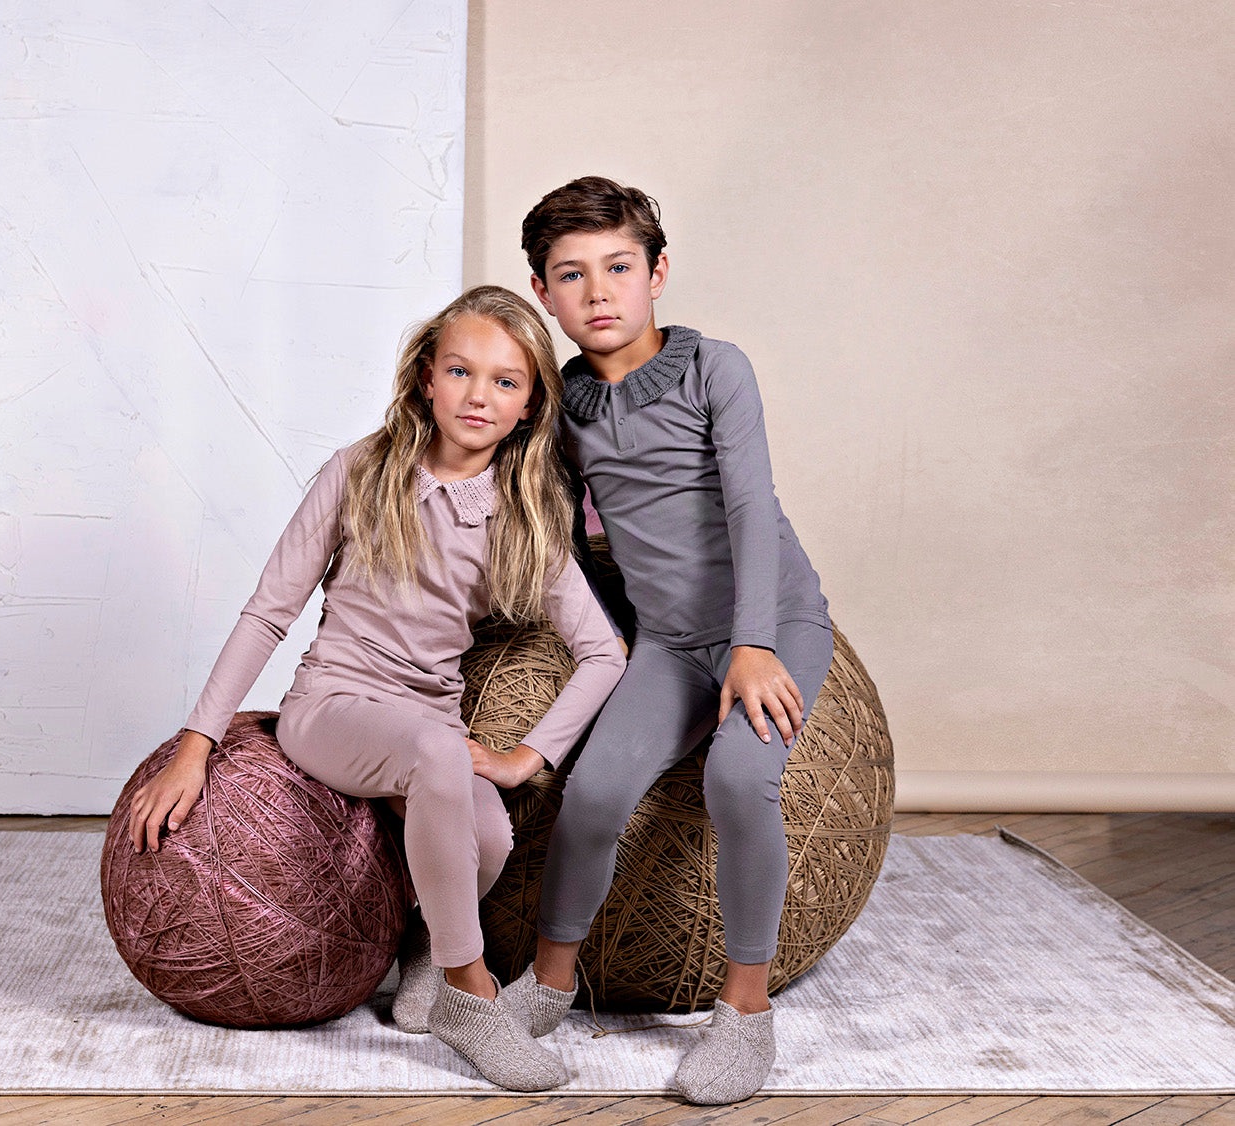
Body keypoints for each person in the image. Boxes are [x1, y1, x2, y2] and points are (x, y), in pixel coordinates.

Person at [127, 285, 626, 1092]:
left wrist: (527, 757)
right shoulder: (360, 469)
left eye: (506, 381)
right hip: (332, 707)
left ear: (530, 406)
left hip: (428, 722)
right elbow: (268, 612)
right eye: (461, 370)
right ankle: (472, 996)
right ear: (426, 377)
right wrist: (195, 745)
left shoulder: (523, 510)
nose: (479, 395)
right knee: (437, 752)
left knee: (491, 840)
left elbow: (604, 653)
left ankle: (427, 943)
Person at [501, 176, 835, 1105]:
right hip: (670, 645)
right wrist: (606, 638)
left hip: (774, 624)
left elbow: (750, 505)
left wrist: (756, 642)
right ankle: (550, 983)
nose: (598, 292)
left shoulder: (715, 368)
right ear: (543, 292)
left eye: (618, 267)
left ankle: (746, 1012)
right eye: (572, 274)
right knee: (592, 794)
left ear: (656, 273)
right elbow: (570, 537)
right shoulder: (562, 406)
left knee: (737, 777)